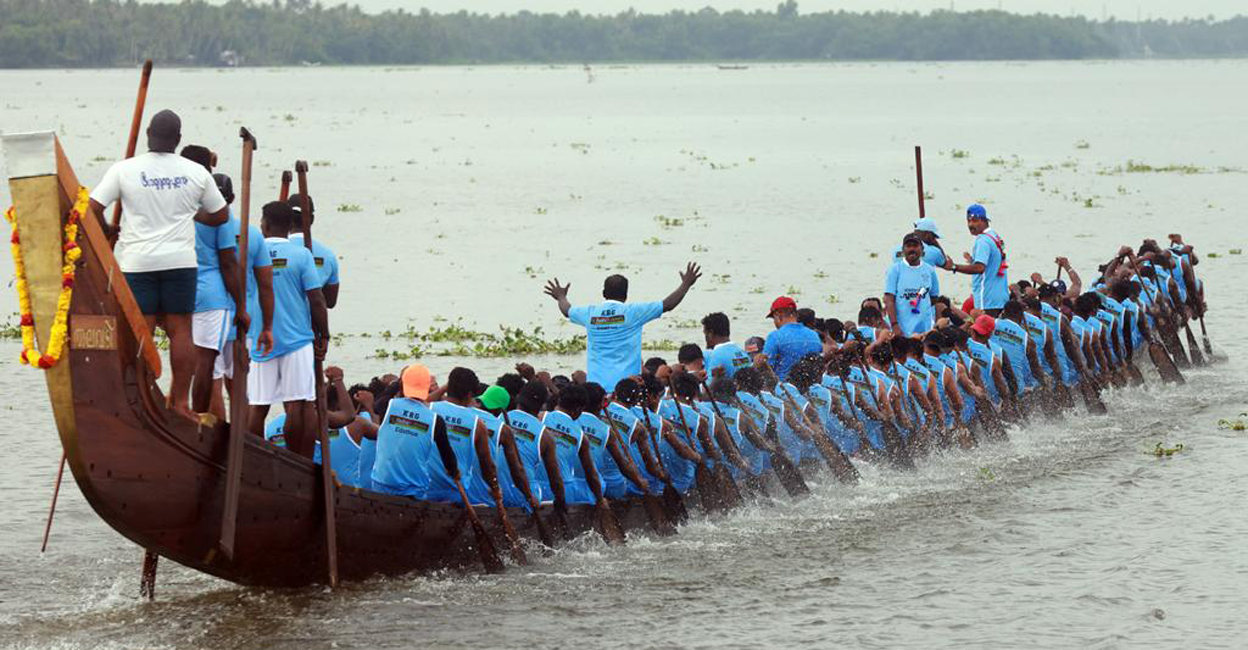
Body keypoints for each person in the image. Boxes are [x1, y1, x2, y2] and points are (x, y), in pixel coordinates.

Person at [87, 109, 230, 418]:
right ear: (178, 140)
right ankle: (179, 403)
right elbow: (220, 215)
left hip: (137, 262)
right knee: (181, 330)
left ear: (148, 134)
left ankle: (139, 395)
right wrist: (193, 215)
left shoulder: (124, 169)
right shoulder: (195, 171)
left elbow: (92, 207)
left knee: (142, 330)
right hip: (180, 261)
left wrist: (107, 231)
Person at [246, 201, 329, 458]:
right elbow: (317, 299)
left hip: (260, 338)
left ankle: (254, 459)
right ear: (290, 225)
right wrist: (324, 334)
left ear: (266, 225)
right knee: (296, 404)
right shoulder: (302, 254)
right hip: (297, 339)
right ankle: (295, 461)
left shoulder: (250, 253)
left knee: (257, 406)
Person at [544, 263, 701, 391]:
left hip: (597, 390)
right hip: (627, 388)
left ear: (603, 293)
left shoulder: (590, 314)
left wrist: (561, 296)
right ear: (626, 295)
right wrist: (686, 284)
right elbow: (667, 305)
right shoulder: (633, 313)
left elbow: (566, 310)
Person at [178, 145, 247, 420]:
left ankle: (184, 409)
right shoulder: (217, 209)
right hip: (210, 296)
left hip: (178, 290)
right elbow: (228, 263)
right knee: (205, 364)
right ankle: (198, 418)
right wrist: (241, 306)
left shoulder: (173, 203)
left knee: (187, 360)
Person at [213, 171, 275, 419]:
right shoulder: (251, 234)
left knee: (213, 383)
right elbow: (266, 285)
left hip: (211, 316)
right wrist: (267, 326)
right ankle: (238, 441)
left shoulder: (199, 229)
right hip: (242, 319)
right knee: (238, 386)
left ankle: (218, 442)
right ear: (232, 198)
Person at [428, 367, 502, 506]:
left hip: (425, 488)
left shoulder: (429, 408)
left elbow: (420, 401)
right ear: (469, 395)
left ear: (448, 387)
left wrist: (445, 387)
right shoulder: (477, 424)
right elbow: (487, 466)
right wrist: (496, 489)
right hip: (456, 493)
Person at [371, 364, 441, 497]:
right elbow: (448, 457)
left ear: (402, 385)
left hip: (382, 484)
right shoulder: (436, 419)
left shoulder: (388, 405)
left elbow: (377, 404)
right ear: (427, 388)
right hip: (415, 489)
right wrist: (454, 472)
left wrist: (399, 383)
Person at [942, 203, 1009, 315]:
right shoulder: (995, 236)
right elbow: (993, 262)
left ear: (984, 221)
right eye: (969, 221)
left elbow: (979, 268)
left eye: (975, 220)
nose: (971, 225)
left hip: (987, 300)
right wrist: (973, 261)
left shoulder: (983, 240)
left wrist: (954, 267)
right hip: (1000, 298)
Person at [287, 193, 340, 309]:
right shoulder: (328, 255)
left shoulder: (271, 251)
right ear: (311, 219)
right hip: (314, 324)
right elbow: (330, 301)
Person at [885, 233, 940, 337]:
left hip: (925, 330)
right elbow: (889, 300)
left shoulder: (929, 270)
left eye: (915, 246)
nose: (912, 249)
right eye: (908, 246)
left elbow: (934, 297)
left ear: (922, 248)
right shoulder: (895, 270)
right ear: (903, 249)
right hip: (902, 330)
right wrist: (895, 325)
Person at [762, 296, 822, 380]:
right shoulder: (814, 335)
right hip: (811, 387)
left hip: (784, 389)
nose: (774, 322)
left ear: (778, 314)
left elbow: (766, 367)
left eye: (773, 318)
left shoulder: (775, 336)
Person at [702, 312, 752, 379]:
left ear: (711, 333)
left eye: (705, 333)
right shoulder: (744, 354)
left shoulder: (714, 356)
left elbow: (709, 388)